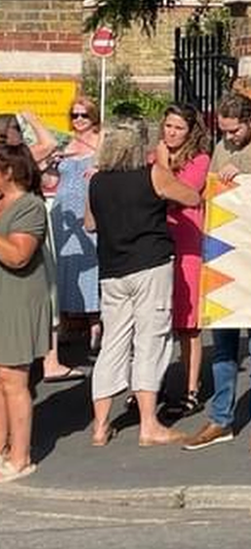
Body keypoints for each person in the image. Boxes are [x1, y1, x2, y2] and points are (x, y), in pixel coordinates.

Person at [182, 93, 251, 455]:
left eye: (234, 131)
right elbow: (211, 194)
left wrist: (247, 178)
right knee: (224, 348)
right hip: (225, 258)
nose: (229, 138)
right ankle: (221, 418)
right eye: (225, 132)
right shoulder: (220, 147)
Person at [85, 122, 200, 447]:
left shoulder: (96, 181)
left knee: (113, 343)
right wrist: (163, 168)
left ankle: (100, 426)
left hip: (112, 269)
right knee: (151, 340)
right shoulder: (151, 174)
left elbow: (90, 223)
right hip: (150, 265)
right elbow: (191, 196)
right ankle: (149, 425)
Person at [0, 114, 81, 383]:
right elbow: (48, 142)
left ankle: (45, 357)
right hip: (22, 232)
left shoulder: (19, 159)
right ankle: (50, 359)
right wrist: (32, 116)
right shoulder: (17, 160)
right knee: (47, 291)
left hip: (20, 231)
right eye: (16, 128)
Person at [157, 104, 211, 419]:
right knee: (158, 322)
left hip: (187, 245)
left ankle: (191, 388)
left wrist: (162, 163)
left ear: (191, 131)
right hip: (157, 243)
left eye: (178, 127)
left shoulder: (199, 161)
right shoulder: (157, 158)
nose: (171, 133)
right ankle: (154, 385)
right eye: (168, 126)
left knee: (188, 325)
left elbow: (177, 192)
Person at [0, 144, 48, 482]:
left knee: (14, 380)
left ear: (9, 172)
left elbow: (19, 256)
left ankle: (21, 457)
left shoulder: (30, 206)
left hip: (17, 299)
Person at [51, 97, 102, 355]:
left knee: (91, 263)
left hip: (89, 208)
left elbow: (106, 168)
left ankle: (95, 321)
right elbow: (50, 178)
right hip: (64, 210)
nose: (78, 120)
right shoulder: (65, 141)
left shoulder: (99, 140)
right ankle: (67, 321)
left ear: (94, 116)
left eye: (84, 115)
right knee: (66, 264)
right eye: (74, 115)